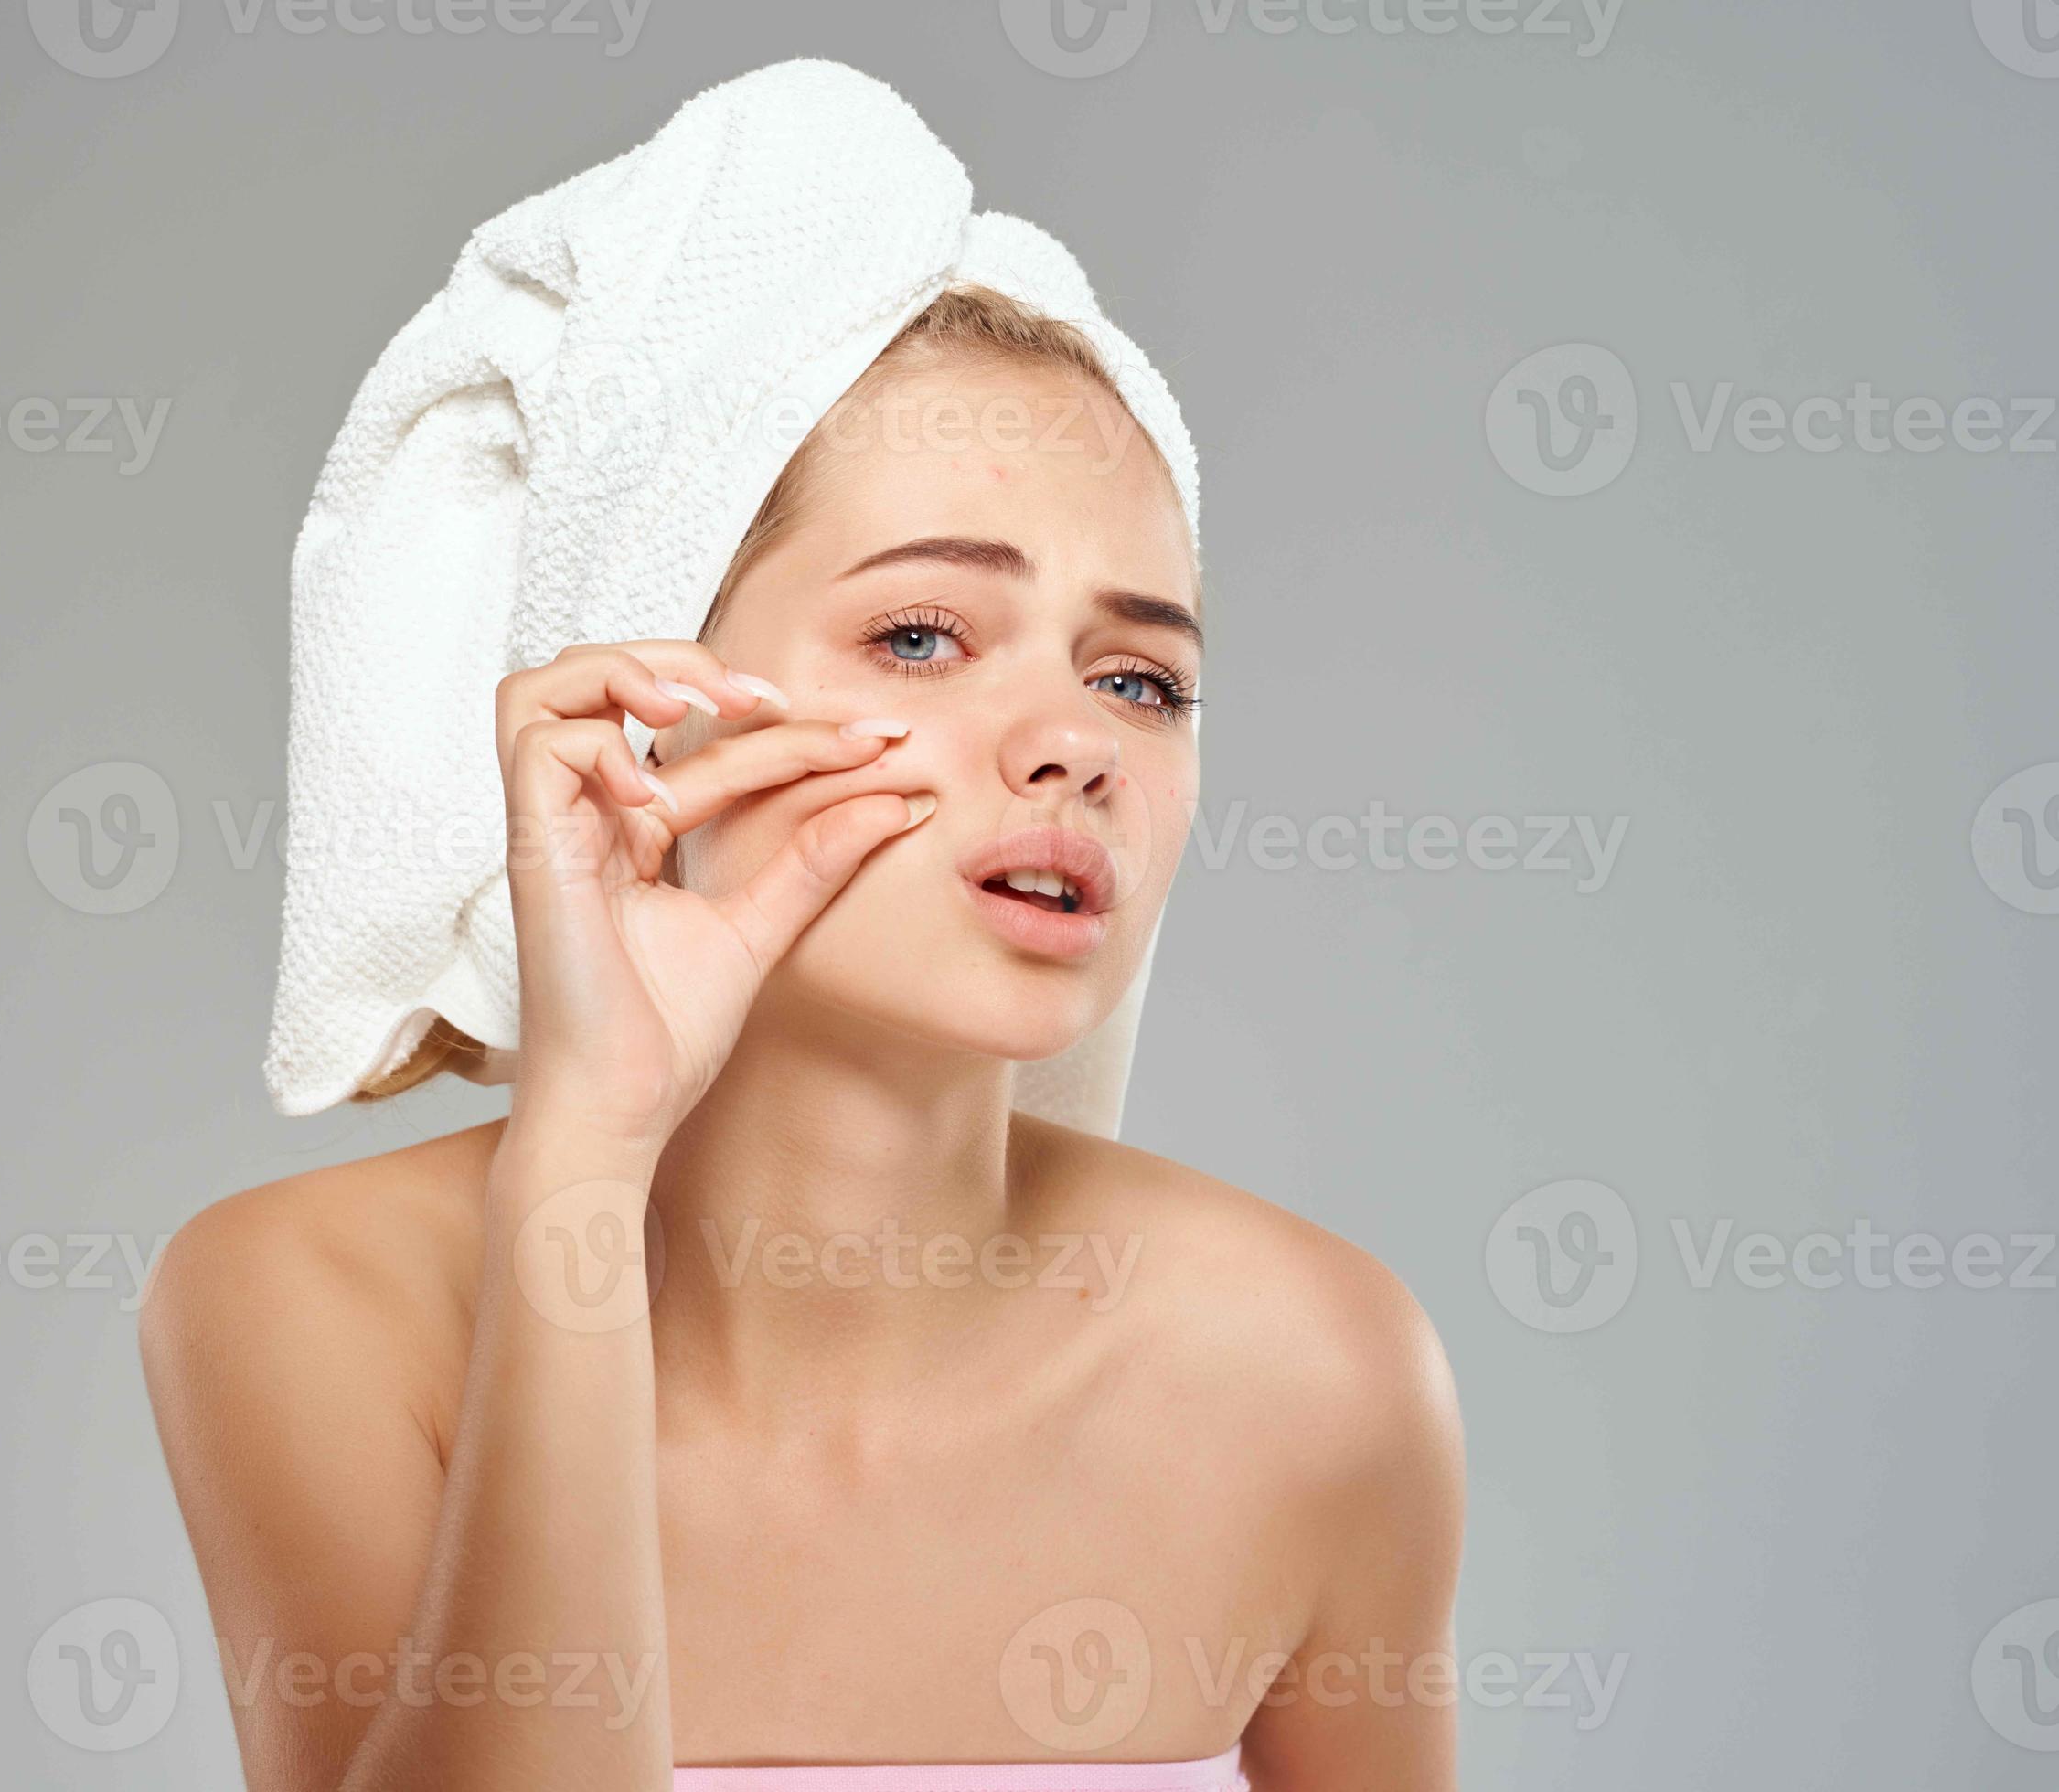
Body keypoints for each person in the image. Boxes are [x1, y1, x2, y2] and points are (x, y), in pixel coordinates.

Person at [145, 66, 1463, 1792]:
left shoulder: (1317, 1368)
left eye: (1139, 676)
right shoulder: (308, 1308)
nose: (1075, 738)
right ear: (649, 695)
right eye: (924, 634)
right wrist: (583, 1158)